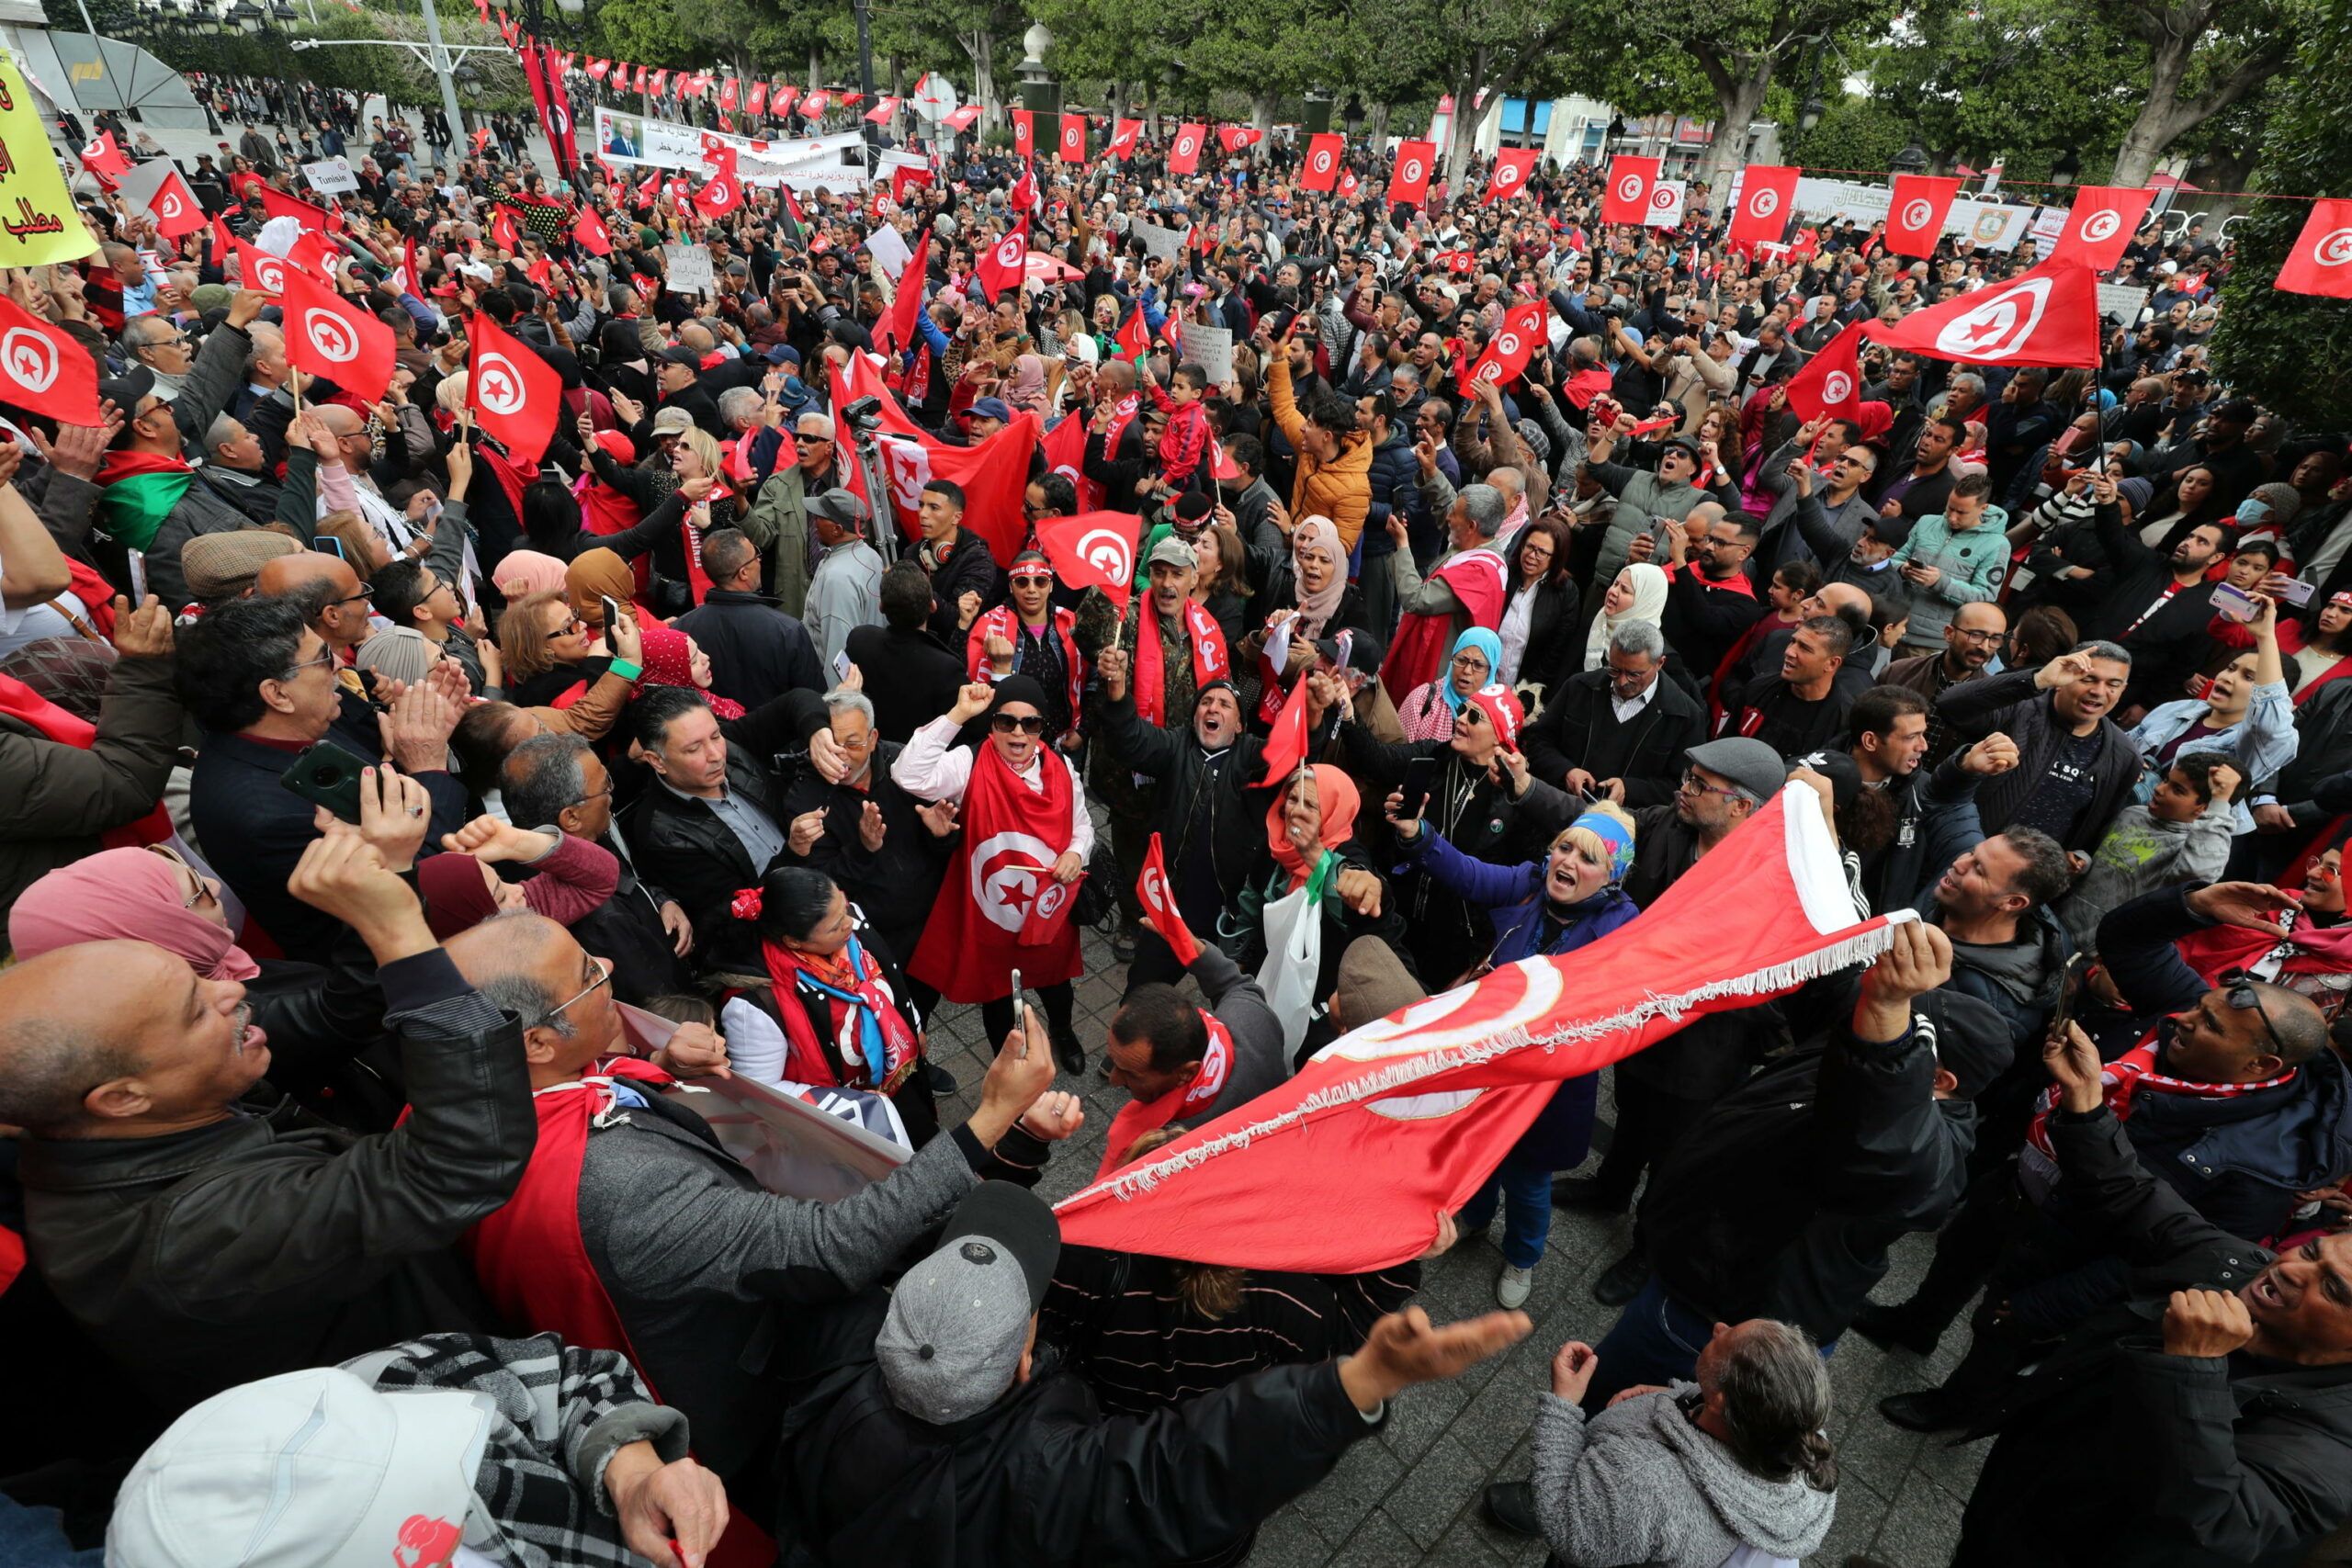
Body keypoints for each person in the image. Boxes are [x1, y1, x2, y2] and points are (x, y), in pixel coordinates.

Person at [442, 907, 1065, 1488]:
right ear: (536, 1045)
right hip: (744, 1403)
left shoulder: (460, 1113)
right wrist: (993, 1115)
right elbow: (830, 1246)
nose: (608, 968)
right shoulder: (622, 1187)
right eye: (585, 976)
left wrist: (658, 1060)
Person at [3, 810, 531, 1414]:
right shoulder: (187, 1238)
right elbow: (457, 1163)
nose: (230, 992)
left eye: (195, 977)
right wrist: (400, 933)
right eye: (194, 1010)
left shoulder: (141, 1114)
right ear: (122, 1097)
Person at [771, 1180, 1532, 1566]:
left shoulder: (824, 1359)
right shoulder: (1041, 1478)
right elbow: (1184, 1468)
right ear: (1024, 1359)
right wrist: (1355, 1383)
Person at [1951, 1007, 2352, 1568]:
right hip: (2029, 1492)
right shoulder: (2235, 1265)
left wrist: (2192, 1373)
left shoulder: (2334, 1441)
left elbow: (2222, 1527)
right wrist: (2088, 1100)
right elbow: (2134, 1195)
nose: (2290, 1270)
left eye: (2333, 1289)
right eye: (2309, 1252)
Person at [109, 1333, 731, 1568]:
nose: (436, 1526)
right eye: (389, 1540)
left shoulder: (390, 1381)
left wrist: (630, 1469)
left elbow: (567, 1377)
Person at [1555, 737, 1785, 1305]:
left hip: (1705, 1044)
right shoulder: (1666, 826)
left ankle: (1648, 1246)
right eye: (1688, 776)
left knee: (1676, 1151)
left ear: (1742, 806)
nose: (1683, 789)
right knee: (1633, 1110)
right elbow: (1600, 825)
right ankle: (1610, 1188)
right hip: (1640, 1020)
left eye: (1700, 785)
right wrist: (1519, 786)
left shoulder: (1769, 875)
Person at [1391, 795, 1641, 1304]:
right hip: (1493, 1064)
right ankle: (1475, 1217)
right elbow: (1471, 874)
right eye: (1564, 847)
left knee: (1528, 1182)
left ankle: (1523, 1257)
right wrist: (1420, 836)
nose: (1567, 862)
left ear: (1612, 878)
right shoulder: (1531, 882)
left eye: (1588, 858)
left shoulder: (1620, 924)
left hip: (1549, 1087)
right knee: (1478, 1153)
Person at [176, 595, 469, 963]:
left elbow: (395, 753)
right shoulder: (266, 815)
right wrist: (428, 765)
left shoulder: (302, 718)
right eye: (323, 657)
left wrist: (411, 736)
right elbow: (415, 881)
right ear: (278, 693)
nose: (337, 666)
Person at [1483, 1319, 1839, 1568]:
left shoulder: (1645, 1484)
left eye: (1724, 1341)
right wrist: (1674, 1398)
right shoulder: (1800, 1434)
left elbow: (1567, 1527)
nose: (1719, 1327)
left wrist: (1562, 1407)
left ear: (1720, 1404)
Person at [892, 675, 1093, 1073]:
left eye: (1030, 723)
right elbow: (908, 774)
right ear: (992, 725)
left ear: (1042, 729)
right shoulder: (968, 763)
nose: (1018, 733)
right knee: (1000, 996)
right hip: (992, 916)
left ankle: (1064, 1031)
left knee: (1056, 984)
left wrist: (1075, 851)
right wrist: (957, 714)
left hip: (1047, 910)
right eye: (1006, 722)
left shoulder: (1064, 768)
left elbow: (1083, 825)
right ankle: (1009, 1065)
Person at [1938, 641, 2143, 853]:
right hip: (1959, 853)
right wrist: (2037, 680)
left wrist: (2080, 859)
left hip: (2030, 881)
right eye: (2088, 679)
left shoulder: (2124, 756)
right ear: (2062, 679)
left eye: (2113, 685)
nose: (2099, 691)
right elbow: (1950, 704)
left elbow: (2098, 828)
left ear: (2123, 690)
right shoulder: (2017, 709)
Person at [2125, 591, 2296, 835]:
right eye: (2231, 668)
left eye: (2248, 677)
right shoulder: (2177, 708)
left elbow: (2270, 723)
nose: (2228, 677)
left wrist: (2266, 636)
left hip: (2173, 839)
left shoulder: (2257, 744)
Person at [2055, 752, 2240, 957]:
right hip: (2056, 922)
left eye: (2177, 790)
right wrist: (2082, 861)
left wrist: (2220, 802)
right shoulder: (2133, 814)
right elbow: (2098, 853)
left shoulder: (2192, 849)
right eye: (2167, 781)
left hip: (2095, 952)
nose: (2159, 789)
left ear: (2203, 809)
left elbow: (2198, 872)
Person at [672, 525, 827, 709]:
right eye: (755, 556)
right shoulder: (787, 630)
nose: (760, 561)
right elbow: (815, 700)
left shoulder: (681, 630)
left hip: (714, 733)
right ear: (743, 573)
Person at [845, 559, 969, 742]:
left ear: (882, 608)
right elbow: (966, 733)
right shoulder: (947, 669)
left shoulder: (860, 640)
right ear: (933, 606)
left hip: (873, 752)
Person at [967, 549, 1082, 744]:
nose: (1031, 589)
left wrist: (1083, 730)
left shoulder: (1072, 623)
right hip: (1015, 743)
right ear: (1011, 587)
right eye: (1022, 582)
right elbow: (975, 695)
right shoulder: (989, 626)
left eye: (1040, 581)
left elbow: (1093, 681)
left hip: (1064, 741)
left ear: (1051, 585)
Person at [1881, 599, 2007, 769]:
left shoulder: (1993, 699)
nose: (1984, 647)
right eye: (1976, 635)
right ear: (1949, 633)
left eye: (1995, 639)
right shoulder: (1899, 673)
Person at [1724, 614, 1870, 758]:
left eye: (1805, 648)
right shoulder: (1759, 687)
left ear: (1832, 663)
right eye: (1792, 642)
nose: (1789, 652)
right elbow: (1723, 745)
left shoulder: (1844, 722)